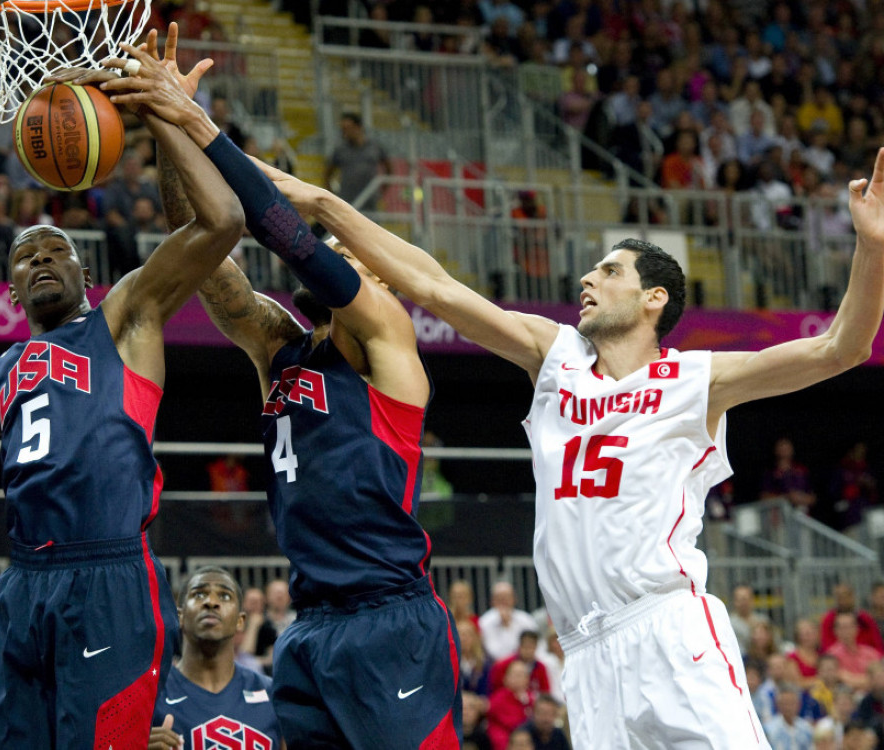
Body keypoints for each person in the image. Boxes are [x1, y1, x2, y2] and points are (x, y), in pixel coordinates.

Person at [243, 135, 884, 746]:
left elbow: (841, 347)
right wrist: (323, 203)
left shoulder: (698, 379)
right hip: (584, 650)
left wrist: (872, 248)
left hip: (666, 624)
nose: (587, 280)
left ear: (654, 296)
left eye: (608, 271)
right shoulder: (555, 356)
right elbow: (433, 285)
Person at [0, 34, 245, 747]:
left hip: (108, 574)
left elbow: (222, 221)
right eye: (26, 256)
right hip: (25, 583)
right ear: (12, 286)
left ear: (84, 273)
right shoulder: (2, 371)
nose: (42, 259)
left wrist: (161, 116)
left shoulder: (126, 315)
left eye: (57, 251)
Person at [102, 35, 461, 748]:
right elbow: (203, 243)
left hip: (388, 618)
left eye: (355, 260)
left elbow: (295, 240)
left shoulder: (383, 338)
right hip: (310, 627)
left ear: (378, 284)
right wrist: (165, 127)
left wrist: (199, 124)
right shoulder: (280, 349)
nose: (343, 264)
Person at [147, 567, 283, 750]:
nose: (211, 602)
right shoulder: (150, 695)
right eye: (199, 594)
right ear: (179, 616)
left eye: (225, 596)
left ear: (240, 621)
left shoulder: (272, 694)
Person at [323, 112, 391, 209]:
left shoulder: (375, 147)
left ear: (358, 127)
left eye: (348, 128)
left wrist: (382, 191)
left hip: (370, 201)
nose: (344, 133)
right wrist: (333, 195)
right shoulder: (340, 150)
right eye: (343, 129)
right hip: (347, 202)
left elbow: (389, 169)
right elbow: (327, 174)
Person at [479, 582, 539, 661]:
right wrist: (504, 625)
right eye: (500, 598)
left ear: (514, 599)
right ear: (492, 601)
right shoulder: (484, 622)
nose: (504, 601)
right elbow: (492, 651)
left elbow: (537, 646)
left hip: (524, 664)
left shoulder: (526, 620)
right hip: (493, 666)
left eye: (507, 597)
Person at [825, 612, 883, 692]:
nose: (845, 631)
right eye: (841, 627)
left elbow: (880, 675)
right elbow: (838, 677)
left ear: (857, 628)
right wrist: (870, 680)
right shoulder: (830, 656)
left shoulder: (870, 652)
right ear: (835, 631)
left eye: (848, 627)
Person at [821, 582, 884, 653]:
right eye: (839, 596)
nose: (843, 600)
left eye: (846, 595)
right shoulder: (829, 619)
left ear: (852, 596)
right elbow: (826, 645)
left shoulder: (864, 617)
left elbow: (876, 642)